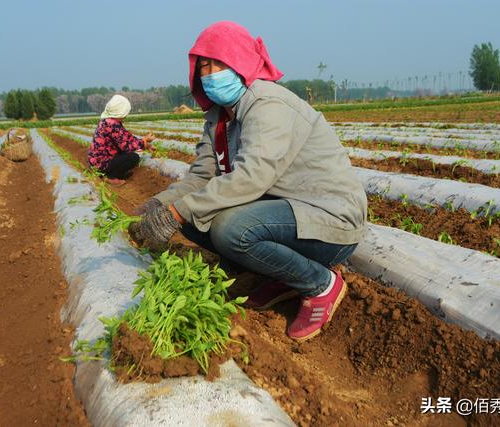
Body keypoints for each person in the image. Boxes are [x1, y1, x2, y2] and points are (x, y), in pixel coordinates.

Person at [129, 21, 367, 341]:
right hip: (284, 211)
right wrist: (159, 204)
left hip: (328, 217)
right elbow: (201, 176)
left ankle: (320, 283)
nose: (210, 73)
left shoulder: (268, 104)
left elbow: (252, 176)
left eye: (218, 63)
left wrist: (176, 211)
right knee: (189, 214)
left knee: (229, 228)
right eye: (204, 66)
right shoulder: (218, 116)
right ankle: (282, 274)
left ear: (239, 62)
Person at [87, 94, 155, 185]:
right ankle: (111, 176)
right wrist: (143, 142)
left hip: (98, 161)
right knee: (133, 157)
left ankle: (115, 173)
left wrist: (144, 142)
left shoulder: (108, 122)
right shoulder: (112, 125)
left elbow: (127, 138)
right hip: (101, 163)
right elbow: (126, 146)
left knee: (127, 154)